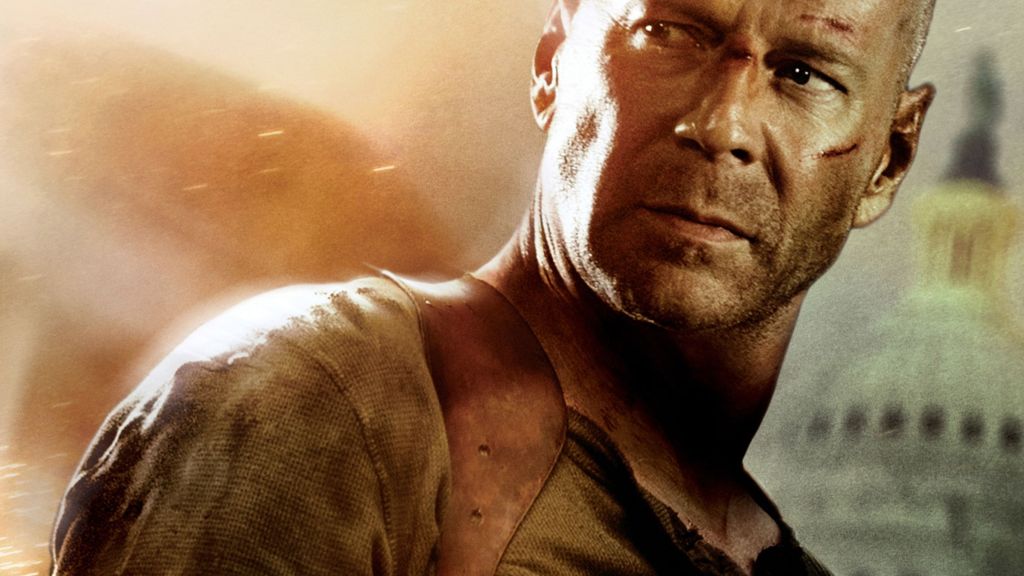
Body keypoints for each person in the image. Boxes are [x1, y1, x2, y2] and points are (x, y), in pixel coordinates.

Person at [50, 0, 936, 574]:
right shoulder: (320, 402)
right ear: (553, 60)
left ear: (890, 159)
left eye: (803, 74)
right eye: (669, 33)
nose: (721, 123)